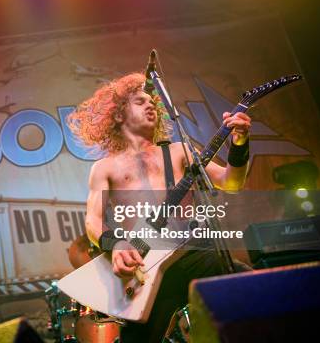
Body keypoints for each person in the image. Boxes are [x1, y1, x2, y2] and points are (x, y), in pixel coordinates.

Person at [67, 72, 251, 342]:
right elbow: (93, 221)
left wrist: (240, 141)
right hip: (143, 272)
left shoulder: (179, 152)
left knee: (255, 291)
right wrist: (116, 244)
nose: (151, 105)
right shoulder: (105, 167)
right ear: (118, 115)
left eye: (153, 102)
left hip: (193, 257)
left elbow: (231, 182)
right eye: (140, 102)